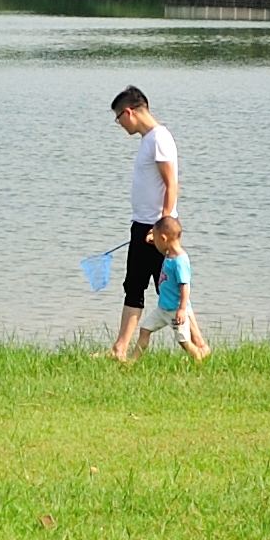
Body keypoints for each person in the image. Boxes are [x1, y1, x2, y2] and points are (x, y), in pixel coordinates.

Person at [105, 85, 180, 362]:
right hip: (141, 226)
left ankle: (199, 344)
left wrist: (161, 227)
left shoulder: (160, 138)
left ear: (129, 112)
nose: (120, 124)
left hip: (156, 231)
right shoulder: (148, 139)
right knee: (134, 286)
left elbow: (172, 184)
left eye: (118, 118)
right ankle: (120, 349)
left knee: (170, 289)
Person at [128, 216, 209, 361]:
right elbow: (162, 246)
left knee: (184, 342)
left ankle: (198, 359)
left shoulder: (180, 261)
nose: (155, 244)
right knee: (144, 330)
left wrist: (182, 309)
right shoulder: (168, 253)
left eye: (157, 240)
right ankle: (132, 362)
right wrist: (153, 239)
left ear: (164, 238)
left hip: (175, 310)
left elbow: (185, 286)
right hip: (162, 309)